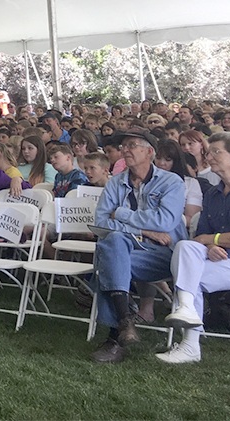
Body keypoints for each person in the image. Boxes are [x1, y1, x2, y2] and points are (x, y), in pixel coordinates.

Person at [158, 132, 230, 363]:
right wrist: (209, 247)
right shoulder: (213, 194)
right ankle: (187, 312)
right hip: (218, 259)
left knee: (188, 276)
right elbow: (199, 238)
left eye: (217, 151)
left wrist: (213, 241)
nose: (210, 156)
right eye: (209, 152)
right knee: (186, 248)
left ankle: (190, 345)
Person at [88, 128, 188, 363]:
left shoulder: (171, 181)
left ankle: (116, 335)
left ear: (150, 152)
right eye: (124, 146)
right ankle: (125, 323)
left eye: (133, 145)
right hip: (127, 252)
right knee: (112, 245)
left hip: (164, 254)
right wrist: (142, 230)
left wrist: (121, 213)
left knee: (108, 255)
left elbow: (166, 221)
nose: (126, 150)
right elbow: (101, 221)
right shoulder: (116, 183)